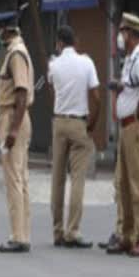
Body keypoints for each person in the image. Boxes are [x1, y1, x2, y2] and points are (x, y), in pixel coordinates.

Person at [105, 13, 139, 258]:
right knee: (123, 184)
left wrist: (138, 107)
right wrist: (120, 86)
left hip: (135, 125)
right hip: (126, 127)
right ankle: (128, 235)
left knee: (137, 185)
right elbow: (134, 85)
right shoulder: (129, 59)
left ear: (130, 34)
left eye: (122, 32)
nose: (119, 37)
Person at [47, 25, 100, 248]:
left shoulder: (54, 65)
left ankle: (58, 231)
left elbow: (52, 88)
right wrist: (93, 123)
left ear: (59, 43)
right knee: (77, 179)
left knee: (57, 179)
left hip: (59, 122)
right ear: (74, 42)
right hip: (80, 123)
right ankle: (73, 231)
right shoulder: (86, 63)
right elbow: (96, 97)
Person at [0, 11, 35, 253]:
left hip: (12, 118)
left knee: (13, 179)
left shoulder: (16, 54)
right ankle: (23, 233)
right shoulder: (16, 51)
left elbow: (20, 92)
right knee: (20, 178)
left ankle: (18, 236)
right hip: (15, 118)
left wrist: (13, 129)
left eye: (0, 28)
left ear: (8, 29)